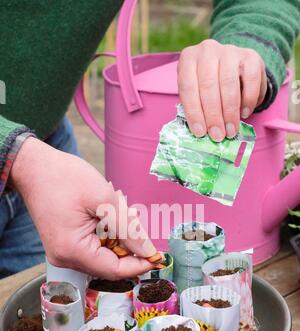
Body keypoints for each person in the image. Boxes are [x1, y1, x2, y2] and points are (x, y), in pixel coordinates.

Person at [0, 0, 299, 279]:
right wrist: (19, 157)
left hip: (46, 151)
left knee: (57, 311)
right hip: (34, 164)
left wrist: (244, 47)